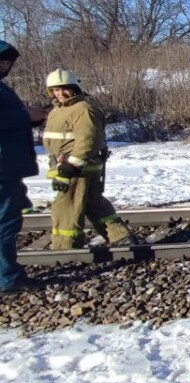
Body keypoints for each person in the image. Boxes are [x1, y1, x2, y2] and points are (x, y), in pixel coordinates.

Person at [42, 68, 137, 250]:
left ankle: (66, 249)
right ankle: (121, 237)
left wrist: (69, 167)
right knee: (93, 204)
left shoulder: (83, 110)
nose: (60, 93)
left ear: (74, 88)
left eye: (64, 88)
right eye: (55, 90)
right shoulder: (59, 110)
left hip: (77, 169)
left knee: (66, 208)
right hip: (70, 167)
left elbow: (88, 142)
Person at [0, 40, 42, 292]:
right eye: (2, 61)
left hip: (8, 166)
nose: (5, 66)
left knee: (8, 221)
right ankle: (7, 278)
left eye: (8, 62)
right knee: (4, 224)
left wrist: (33, 117)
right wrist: (25, 115)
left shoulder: (3, 89)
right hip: (2, 169)